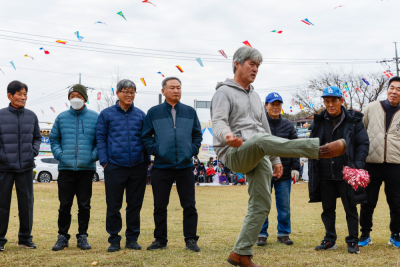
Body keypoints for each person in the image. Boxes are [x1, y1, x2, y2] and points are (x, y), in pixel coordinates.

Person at [211, 46, 346, 267]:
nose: (255, 69)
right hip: (234, 150)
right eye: (251, 64)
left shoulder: (255, 96)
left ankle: (241, 252)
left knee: (262, 204)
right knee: (259, 140)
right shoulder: (223, 93)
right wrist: (226, 136)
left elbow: (264, 129)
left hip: (259, 151)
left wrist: (274, 160)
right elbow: (218, 122)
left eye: (258, 65)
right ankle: (318, 150)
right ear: (237, 64)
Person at [142, 77, 203, 252]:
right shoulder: (154, 112)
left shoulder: (190, 112)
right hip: (161, 166)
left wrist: (191, 149)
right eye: (172, 88)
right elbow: (146, 136)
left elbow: (197, 135)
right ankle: (160, 240)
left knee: (189, 205)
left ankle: (191, 240)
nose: (176, 90)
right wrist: (157, 150)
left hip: (185, 166)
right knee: (160, 205)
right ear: (163, 91)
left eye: (178, 87)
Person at [308, 86, 369, 254]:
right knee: (327, 209)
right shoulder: (318, 120)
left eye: (334, 100)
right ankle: (329, 239)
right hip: (325, 172)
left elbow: (363, 144)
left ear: (341, 101)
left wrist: (356, 167)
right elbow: (311, 145)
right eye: (327, 101)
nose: (330, 104)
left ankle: (353, 241)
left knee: (350, 208)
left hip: (346, 172)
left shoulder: (354, 120)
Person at [97, 79, 150, 252]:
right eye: (126, 91)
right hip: (114, 166)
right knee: (114, 205)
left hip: (137, 166)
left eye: (132, 92)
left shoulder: (141, 115)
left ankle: (132, 238)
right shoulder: (106, 114)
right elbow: (101, 139)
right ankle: (114, 239)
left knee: (135, 204)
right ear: (118, 93)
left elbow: (146, 138)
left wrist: (146, 161)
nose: (129, 95)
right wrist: (105, 162)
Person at [50, 84, 99, 251]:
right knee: (65, 205)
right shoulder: (61, 117)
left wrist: (92, 157)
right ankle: (62, 236)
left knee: (84, 205)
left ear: (85, 98)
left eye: (78, 95)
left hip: (86, 169)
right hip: (65, 168)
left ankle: (82, 236)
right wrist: (60, 155)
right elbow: (54, 139)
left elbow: (100, 141)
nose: (75, 98)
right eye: (72, 96)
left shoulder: (95, 117)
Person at [0, 81, 41, 251]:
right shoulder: (1, 115)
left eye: (25, 94)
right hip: (3, 168)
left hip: (25, 167)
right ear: (10, 96)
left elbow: (37, 137)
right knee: (2, 204)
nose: (23, 97)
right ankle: (0, 240)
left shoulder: (31, 116)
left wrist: (33, 151)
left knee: (27, 204)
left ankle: (25, 238)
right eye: (19, 94)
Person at [359, 76, 400, 248]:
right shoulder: (371, 107)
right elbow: (360, 131)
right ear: (387, 89)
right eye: (392, 87)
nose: (395, 91)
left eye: (399, 89)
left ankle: (395, 235)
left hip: (395, 164)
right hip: (371, 162)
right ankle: (365, 234)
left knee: (396, 202)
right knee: (368, 201)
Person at [256, 92, 300, 247]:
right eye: (272, 104)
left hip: (285, 171)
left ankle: (283, 233)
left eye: (278, 104)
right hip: (263, 171)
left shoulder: (288, 125)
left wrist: (296, 167)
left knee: (284, 206)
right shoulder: (259, 125)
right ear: (266, 106)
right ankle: (261, 234)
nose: (275, 107)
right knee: (262, 204)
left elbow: (295, 147)